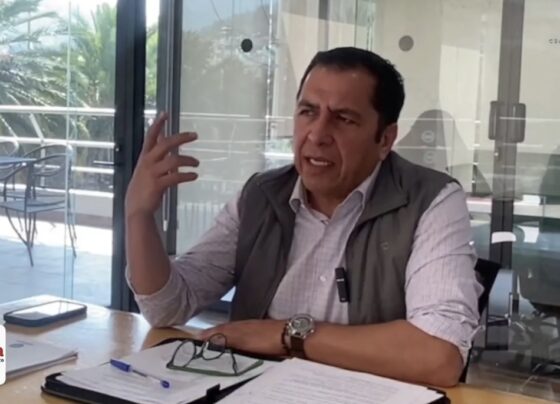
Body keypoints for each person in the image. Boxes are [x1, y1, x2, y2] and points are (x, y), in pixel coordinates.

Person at [125, 47, 482, 387]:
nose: (318, 134)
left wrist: (287, 335)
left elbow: (439, 355)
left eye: (343, 119)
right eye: (308, 112)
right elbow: (167, 309)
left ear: (385, 140)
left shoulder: (430, 200)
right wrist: (139, 215)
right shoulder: (262, 196)